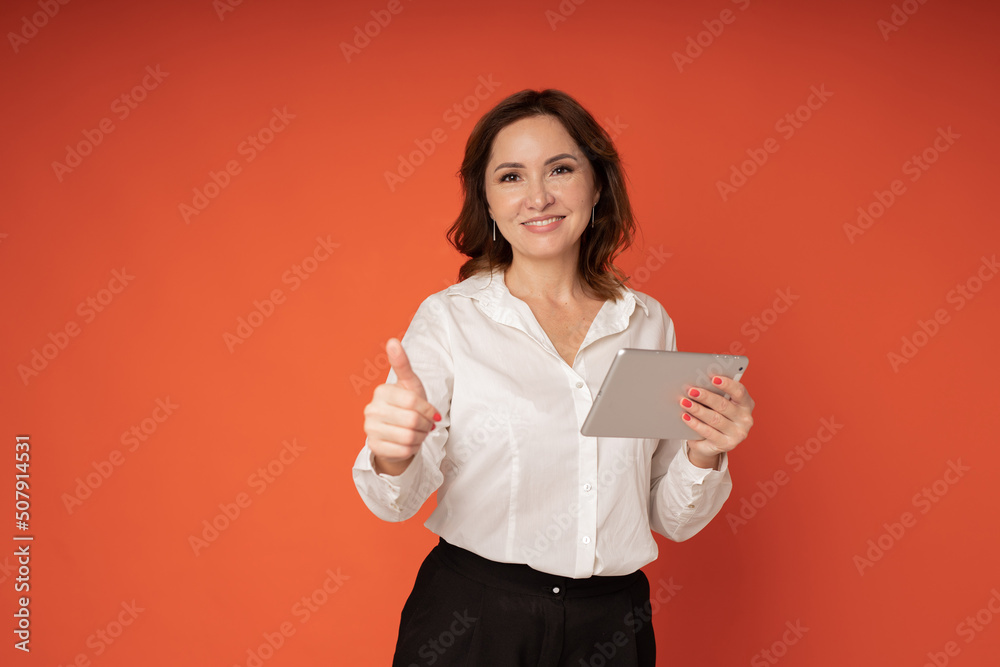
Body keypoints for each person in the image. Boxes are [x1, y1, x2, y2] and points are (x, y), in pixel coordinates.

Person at [352, 89, 756, 666]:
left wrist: (705, 453)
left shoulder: (647, 321)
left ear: (597, 185)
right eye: (511, 176)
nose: (538, 196)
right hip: (473, 622)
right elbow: (396, 501)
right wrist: (393, 453)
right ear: (486, 200)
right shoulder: (449, 320)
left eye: (560, 169)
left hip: (612, 625)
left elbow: (668, 516)